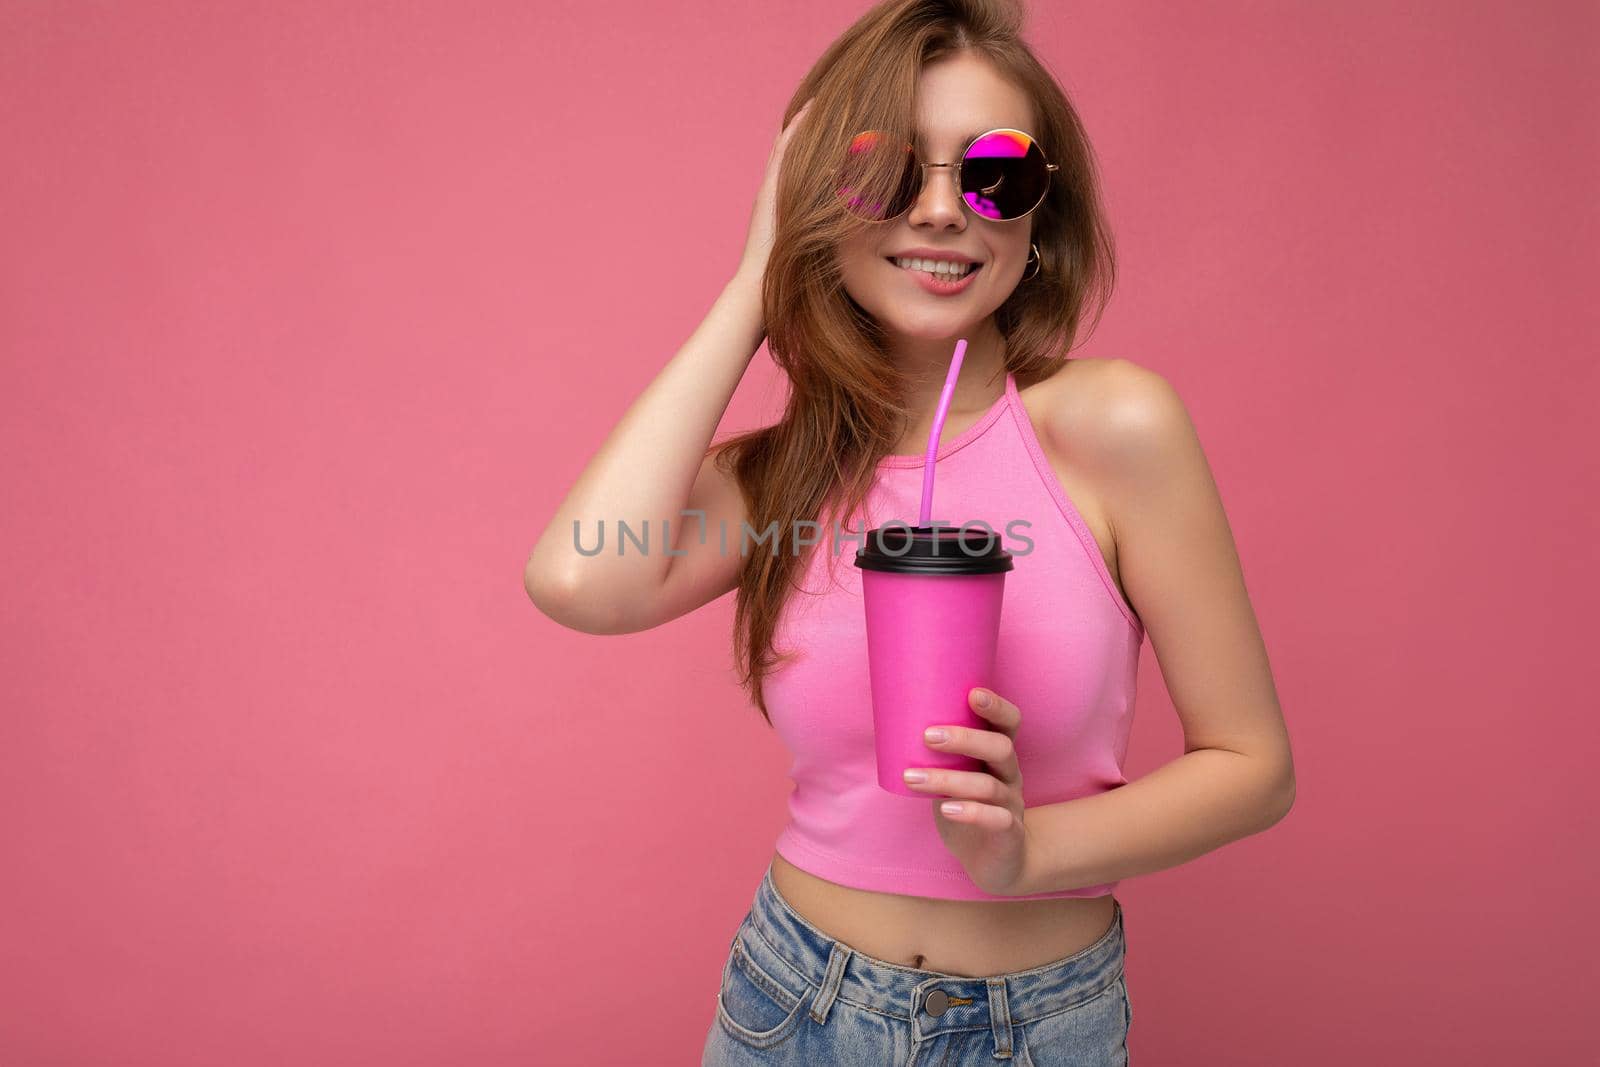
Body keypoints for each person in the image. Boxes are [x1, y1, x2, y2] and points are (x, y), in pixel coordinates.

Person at [524, 1, 1295, 1062]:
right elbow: (578, 580)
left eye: (996, 174)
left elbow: (1252, 763)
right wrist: (757, 277)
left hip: (1036, 1022)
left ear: (1038, 215)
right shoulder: (785, 474)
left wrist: (1030, 849)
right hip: (786, 1001)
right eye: (885, 172)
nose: (941, 211)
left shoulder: (1115, 427)